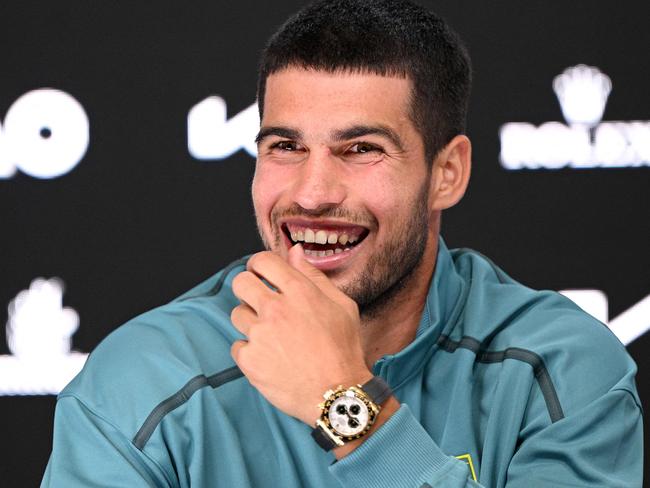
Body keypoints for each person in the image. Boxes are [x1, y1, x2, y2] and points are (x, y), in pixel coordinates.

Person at [42, 0, 643, 486]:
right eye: (285, 146)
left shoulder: (564, 370)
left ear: (447, 172)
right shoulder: (140, 381)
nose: (312, 194)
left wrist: (346, 408)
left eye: (361, 149)